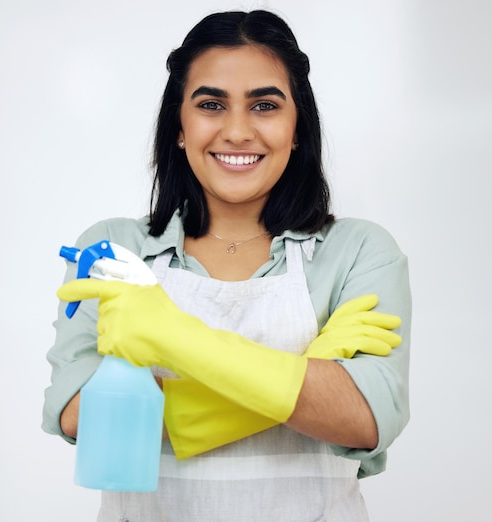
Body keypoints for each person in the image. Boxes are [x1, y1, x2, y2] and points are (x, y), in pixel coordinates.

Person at [42, 9, 411, 521]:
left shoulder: (358, 251)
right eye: (211, 104)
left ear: (297, 127)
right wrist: (312, 370)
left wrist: (171, 337)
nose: (237, 131)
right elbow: (86, 418)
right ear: (179, 126)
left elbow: (366, 418)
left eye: (264, 105)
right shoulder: (114, 249)